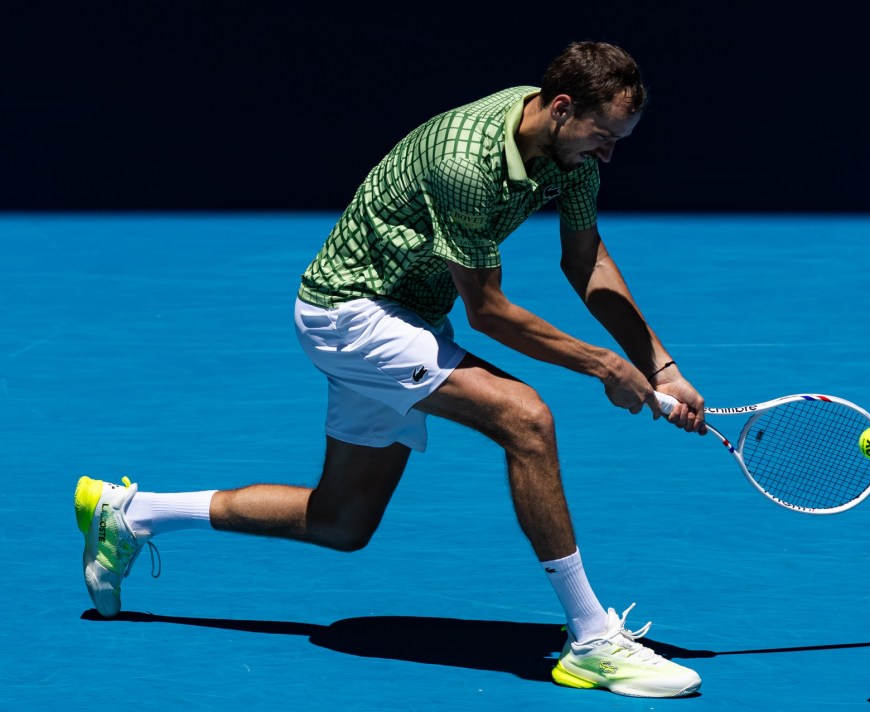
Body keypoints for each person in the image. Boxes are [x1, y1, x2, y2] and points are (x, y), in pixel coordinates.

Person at [74, 40, 708, 698]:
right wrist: (602, 364)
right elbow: (487, 312)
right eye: (602, 136)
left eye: (619, 140)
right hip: (352, 315)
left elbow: (586, 261)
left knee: (340, 522)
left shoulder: (568, 148)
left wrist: (658, 366)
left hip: (402, 317)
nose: (607, 153)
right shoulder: (471, 161)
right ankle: (592, 641)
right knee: (527, 420)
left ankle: (131, 513)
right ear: (560, 108)